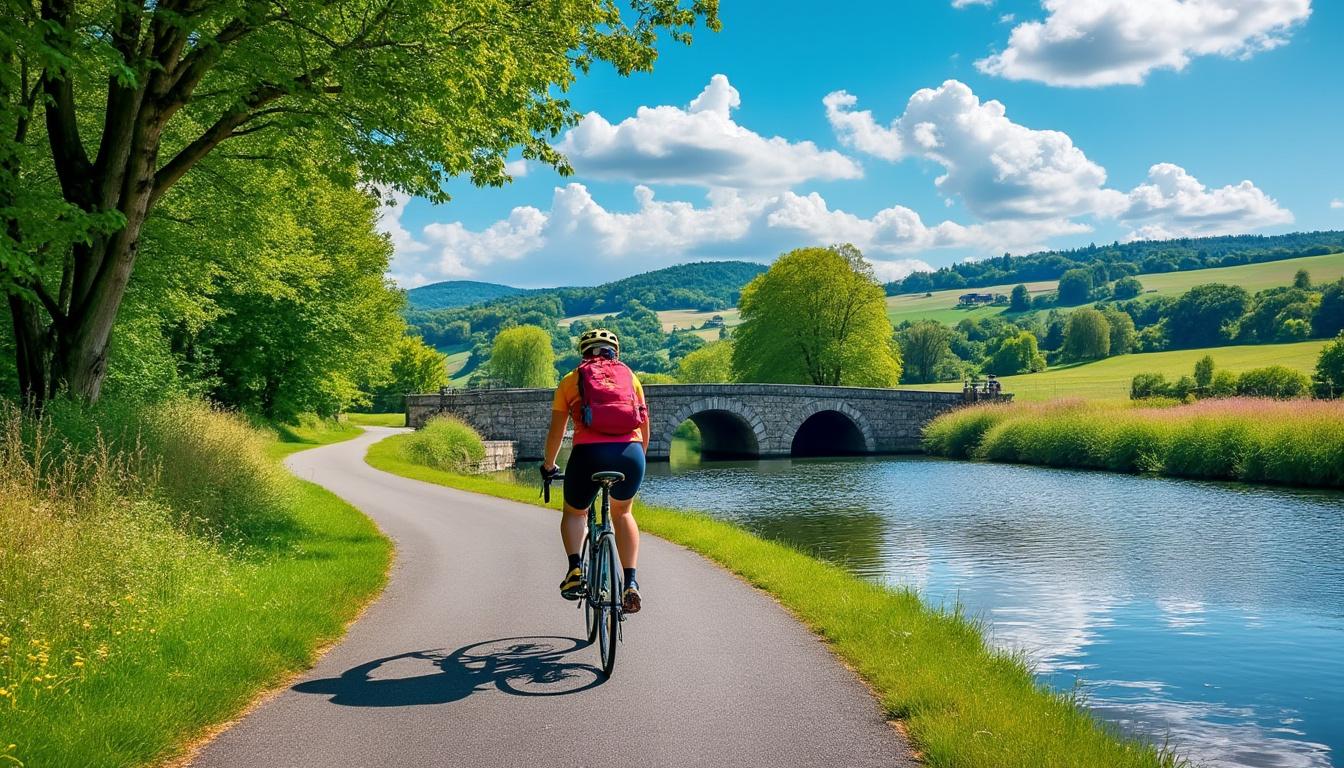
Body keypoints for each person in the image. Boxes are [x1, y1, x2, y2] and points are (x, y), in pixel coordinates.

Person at [540, 328, 650, 614]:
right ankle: (631, 583)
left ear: (583, 352)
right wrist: (639, 459)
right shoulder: (631, 378)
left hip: (588, 455)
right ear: (616, 351)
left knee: (576, 512)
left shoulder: (570, 380)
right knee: (623, 513)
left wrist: (549, 465)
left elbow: (556, 433)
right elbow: (644, 427)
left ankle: (575, 570)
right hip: (630, 455)